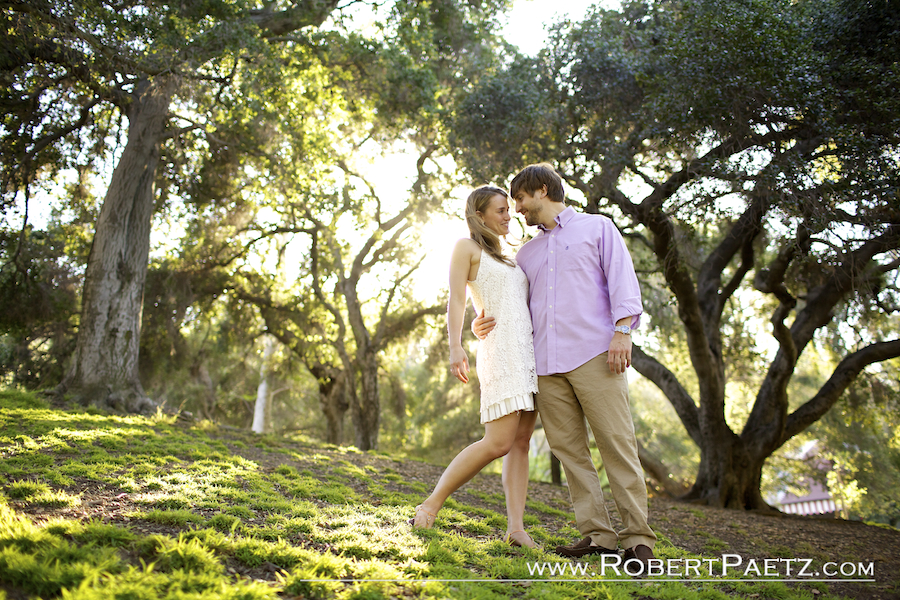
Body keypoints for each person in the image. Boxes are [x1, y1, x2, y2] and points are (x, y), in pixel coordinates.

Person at [473, 163, 658, 571]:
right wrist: (477, 321)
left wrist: (622, 332)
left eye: (519, 199)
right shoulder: (527, 253)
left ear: (541, 190)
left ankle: (638, 539)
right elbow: (510, 304)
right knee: (570, 453)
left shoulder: (598, 228)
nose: (517, 209)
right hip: (546, 367)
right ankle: (598, 535)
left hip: (597, 355)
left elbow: (623, 282)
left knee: (617, 443)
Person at [410, 186, 540, 549]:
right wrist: (456, 344)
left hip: (528, 355)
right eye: (500, 210)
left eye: (508, 210)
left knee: (520, 443)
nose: (507, 216)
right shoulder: (466, 248)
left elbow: (513, 303)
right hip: (502, 354)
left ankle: (516, 530)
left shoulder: (511, 257)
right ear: (479, 215)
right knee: (497, 442)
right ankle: (431, 505)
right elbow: (457, 299)